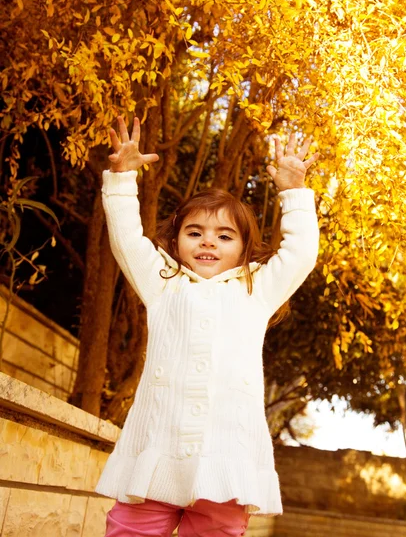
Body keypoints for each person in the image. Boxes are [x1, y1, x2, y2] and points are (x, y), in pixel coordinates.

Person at [96, 115, 320, 537]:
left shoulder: (258, 290)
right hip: (155, 457)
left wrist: (294, 191)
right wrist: (122, 178)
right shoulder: (162, 283)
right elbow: (125, 238)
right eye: (195, 232)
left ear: (243, 249)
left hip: (227, 463)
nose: (207, 242)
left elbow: (301, 253)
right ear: (177, 240)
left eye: (224, 236)